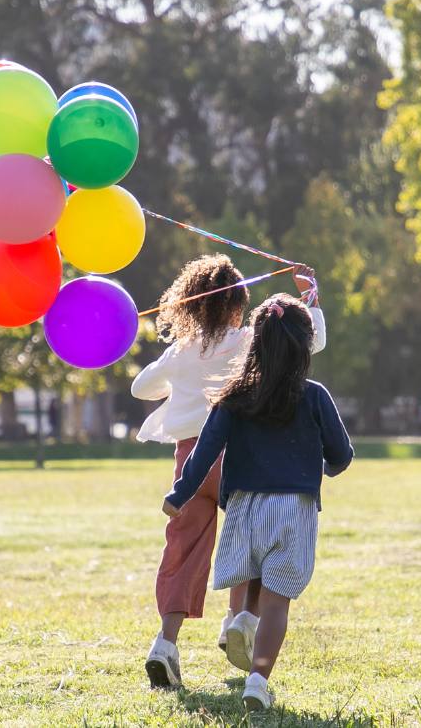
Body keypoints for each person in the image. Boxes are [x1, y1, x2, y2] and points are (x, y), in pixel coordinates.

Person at [133, 255, 325, 689]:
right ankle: (237, 622)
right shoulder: (247, 341)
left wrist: (179, 369)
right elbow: (310, 342)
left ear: (191, 307)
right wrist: (309, 296)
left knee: (182, 552)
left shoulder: (180, 352)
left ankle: (165, 643)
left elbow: (139, 387)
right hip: (238, 458)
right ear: (239, 304)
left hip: (190, 463)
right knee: (252, 544)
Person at [164, 294, 353, 711]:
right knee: (277, 601)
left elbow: (204, 452)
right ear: (305, 346)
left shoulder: (234, 396)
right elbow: (341, 454)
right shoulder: (315, 395)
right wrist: (324, 468)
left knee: (252, 573)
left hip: (245, 507)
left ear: (256, 343)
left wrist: (179, 494)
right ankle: (257, 679)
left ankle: (242, 619)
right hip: (293, 509)